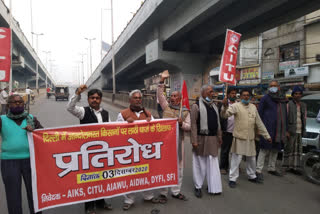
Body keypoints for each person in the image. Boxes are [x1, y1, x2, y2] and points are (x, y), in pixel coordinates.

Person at [67, 85, 112, 214]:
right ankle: (89, 206)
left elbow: (112, 130)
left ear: (101, 100)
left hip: (102, 152)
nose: (94, 100)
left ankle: (101, 202)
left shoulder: (106, 114)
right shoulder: (82, 111)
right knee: (89, 179)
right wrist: (77, 94)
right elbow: (69, 107)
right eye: (92, 98)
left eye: (97, 98)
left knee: (102, 178)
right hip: (88, 152)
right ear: (88, 99)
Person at [116, 89, 159, 210]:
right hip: (130, 151)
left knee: (147, 172)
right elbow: (116, 132)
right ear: (130, 100)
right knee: (130, 175)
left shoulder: (148, 114)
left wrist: (151, 124)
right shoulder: (123, 114)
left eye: (140, 98)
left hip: (145, 150)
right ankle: (129, 199)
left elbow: (156, 131)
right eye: (135, 98)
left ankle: (148, 196)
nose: (138, 100)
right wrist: (125, 123)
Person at [1, 94, 43, 214]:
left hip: (30, 160)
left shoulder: (31, 118)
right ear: (8, 105)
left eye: (20, 102)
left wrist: (33, 131)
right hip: (9, 162)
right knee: (13, 195)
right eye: (15, 102)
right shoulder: (2, 119)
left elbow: (44, 135)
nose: (18, 104)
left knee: (34, 192)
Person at [221, 89, 271, 188]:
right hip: (239, 137)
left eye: (248, 95)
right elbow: (225, 115)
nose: (246, 97)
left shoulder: (253, 107)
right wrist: (225, 106)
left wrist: (267, 136)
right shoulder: (235, 106)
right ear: (240, 97)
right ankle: (232, 179)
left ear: (250, 97)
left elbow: (259, 123)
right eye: (244, 95)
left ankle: (252, 176)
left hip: (250, 138)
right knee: (236, 159)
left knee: (252, 158)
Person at [157, 71, 190, 202]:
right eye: (171, 96)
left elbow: (189, 127)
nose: (172, 98)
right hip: (165, 144)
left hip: (179, 144)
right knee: (165, 168)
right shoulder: (166, 108)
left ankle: (176, 192)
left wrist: (182, 124)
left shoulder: (185, 111)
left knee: (179, 169)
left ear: (180, 99)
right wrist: (161, 81)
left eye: (175, 96)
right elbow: (160, 96)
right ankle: (163, 193)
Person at [191, 85, 222, 198]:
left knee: (213, 163)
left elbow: (218, 123)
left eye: (212, 92)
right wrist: (194, 140)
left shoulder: (214, 106)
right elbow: (193, 124)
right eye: (209, 91)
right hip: (201, 138)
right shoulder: (196, 106)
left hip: (213, 138)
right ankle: (198, 186)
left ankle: (213, 186)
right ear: (203, 93)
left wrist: (220, 136)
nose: (212, 93)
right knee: (200, 164)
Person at [256, 80, 288, 180]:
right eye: (271, 86)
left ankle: (271, 168)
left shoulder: (283, 99)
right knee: (264, 149)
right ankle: (258, 170)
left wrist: (286, 130)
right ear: (268, 88)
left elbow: (285, 115)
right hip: (267, 128)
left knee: (275, 149)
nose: (273, 87)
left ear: (279, 87)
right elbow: (259, 114)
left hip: (279, 129)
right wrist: (258, 128)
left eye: (275, 86)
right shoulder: (265, 98)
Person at [282, 86, 306, 174]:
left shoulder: (303, 105)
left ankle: (295, 168)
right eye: (296, 94)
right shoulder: (288, 105)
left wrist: (304, 130)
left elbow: (304, 118)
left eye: (299, 94)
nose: (298, 95)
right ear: (293, 95)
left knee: (298, 150)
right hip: (291, 130)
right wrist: (286, 131)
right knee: (289, 149)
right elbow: (285, 119)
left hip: (300, 131)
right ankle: (286, 166)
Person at [219, 88, 237, 175]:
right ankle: (223, 167)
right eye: (232, 93)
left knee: (235, 151)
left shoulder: (238, 104)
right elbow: (221, 116)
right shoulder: (224, 103)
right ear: (228, 94)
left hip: (236, 131)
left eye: (235, 93)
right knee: (225, 150)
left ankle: (234, 167)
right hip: (226, 131)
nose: (233, 95)